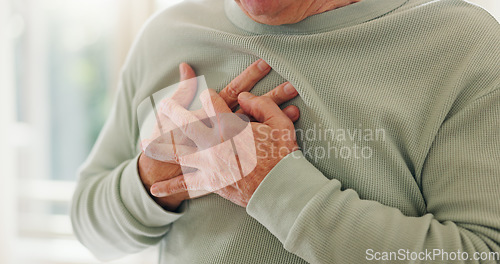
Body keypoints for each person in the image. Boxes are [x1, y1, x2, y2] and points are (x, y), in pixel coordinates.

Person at [71, 0, 500, 263]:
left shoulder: (464, 46)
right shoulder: (166, 37)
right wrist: (152, 179)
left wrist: (273, 186)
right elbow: (91, 228)